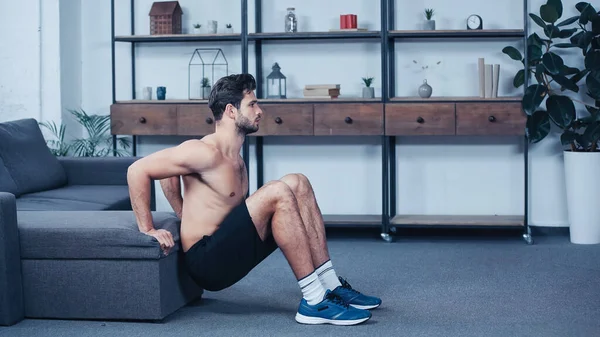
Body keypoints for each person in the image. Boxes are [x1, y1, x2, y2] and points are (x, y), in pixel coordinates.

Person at [126, 73, 381, 326]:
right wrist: (148, 228)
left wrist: (182, 211)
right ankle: (314, 301)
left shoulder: (234, 156)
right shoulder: (202, 152)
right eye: (252, 104)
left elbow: (168, 176)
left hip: (231, 249)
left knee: (297, 182)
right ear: (231, 111)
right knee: (277, 191)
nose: (260, 111)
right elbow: (138, 170)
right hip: (208, 263)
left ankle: (330, 285)